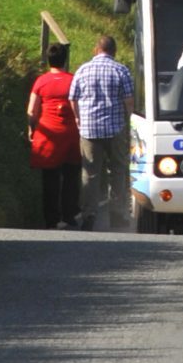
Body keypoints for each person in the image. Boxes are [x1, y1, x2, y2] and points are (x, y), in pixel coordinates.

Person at [69, 36, 134, 231]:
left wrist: (78, 117)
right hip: (115, 128)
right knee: (118, 170)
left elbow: (73, 98)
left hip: (89, 130)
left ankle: (89, 214)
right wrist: (127, 119)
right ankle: (117, 213)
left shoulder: (82, 70)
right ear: (114, 51)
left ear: (96, 49)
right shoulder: (121, 70)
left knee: (90, 173)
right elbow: (129, 100)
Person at [28, 42, 81, 230]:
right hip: (70, 134)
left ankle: (50, 219)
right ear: (65, 59)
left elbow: (32, 110)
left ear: (48, 59)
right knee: (71, 176)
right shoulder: (74, 80)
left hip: (48, 134)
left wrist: (31, 129)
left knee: (49, 178)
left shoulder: (41, 81)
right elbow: (79, 107)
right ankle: (69, 215)